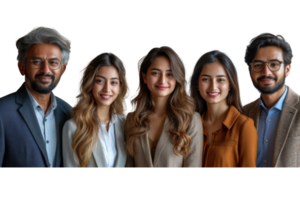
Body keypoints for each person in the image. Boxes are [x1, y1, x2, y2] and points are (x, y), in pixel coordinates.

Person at [0, 25, 74, 168]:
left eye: (53, 62)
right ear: (21, 68)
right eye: (36, 62)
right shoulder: (2, 112)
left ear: (63, 70)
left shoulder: (70, 113)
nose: (45, 70)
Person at [125, 45, 203, 168]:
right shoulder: (133, 118)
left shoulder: (191, 120)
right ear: (145, 77)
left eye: (169, 74)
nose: (162, 80)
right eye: (155, 73)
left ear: (177, 78)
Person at [189, 48, 258, 168]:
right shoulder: (189, 125)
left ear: (230, 84)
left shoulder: (244, 126)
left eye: (220, 79)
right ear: (197, 84)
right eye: (206, 79)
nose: (213, 86)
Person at [63, 52, 132, 168]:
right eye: (100, 81)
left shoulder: (126, 124)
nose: (107, 89)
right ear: (90, 84)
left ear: (120, 87)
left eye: (113, 82)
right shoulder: (73, 127)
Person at [243, 32, 298, 168]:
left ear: (288, 69)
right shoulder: (243, 112)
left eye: (274, 64)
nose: (266, 72)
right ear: (249, 72)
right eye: (258, 65)